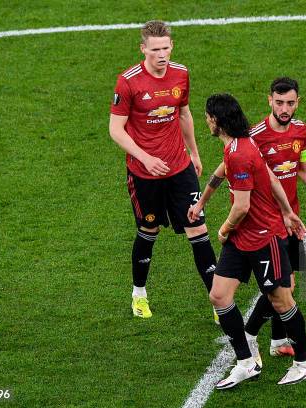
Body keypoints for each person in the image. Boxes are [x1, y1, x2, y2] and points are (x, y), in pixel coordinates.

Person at [190, 77, 306, 356]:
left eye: (290, 103)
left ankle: (278, 342)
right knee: (283, 287)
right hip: (265, 223)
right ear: (269, 100)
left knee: (286, 286)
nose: (284, 108)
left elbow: (303, 168)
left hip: (290, 217)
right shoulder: (253, 136)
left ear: (297, 103)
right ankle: (253, 333)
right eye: (279, 102)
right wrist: (202, 201)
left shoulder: (301, 131)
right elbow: (222, 170)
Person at [203, 93, 306, 389]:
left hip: (263, 237)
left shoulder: (240, 151)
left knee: (281, 299)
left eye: (208, 117)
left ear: (216, 121)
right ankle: (246, 361)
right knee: (219, 295)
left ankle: (302, 364)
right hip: (243, 238)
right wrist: (288, 212)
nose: (207, 122)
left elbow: (242, 207)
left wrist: (224, 230)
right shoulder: (240, 144)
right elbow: (272, 179)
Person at [109, 20, 216, 319]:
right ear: (143, 49)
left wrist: (194, 152)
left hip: (179, 167)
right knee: (149, 230)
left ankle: (219, 302)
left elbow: (183, 113)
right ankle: (139, 295)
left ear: (172, 46)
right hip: (145, 174)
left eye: (166, 48)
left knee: (199, 229)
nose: (161, 54)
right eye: (155, 49)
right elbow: (116, 130)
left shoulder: (181, 74)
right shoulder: (128, 82)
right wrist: (145, 158)